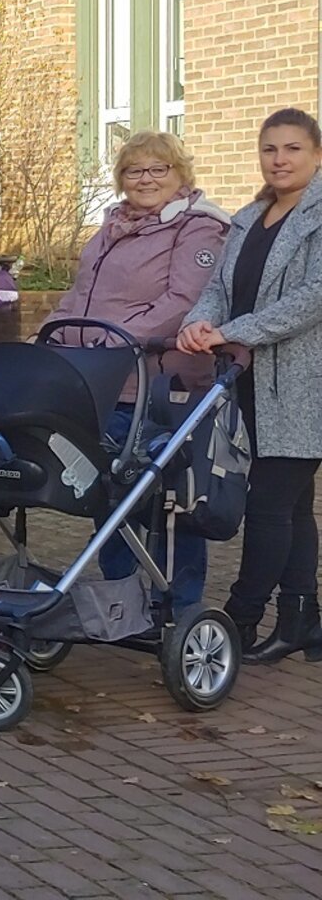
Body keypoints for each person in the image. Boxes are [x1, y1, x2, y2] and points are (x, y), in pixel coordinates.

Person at [44, 131, 228, 611]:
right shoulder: (110, 228)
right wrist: (47, 335)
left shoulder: (198, 227)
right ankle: (119, 600)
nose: (145, 179)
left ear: (180, 174)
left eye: (157, 169)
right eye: (133, 170)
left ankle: (179, 607)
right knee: (111, 496)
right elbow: (79, 296)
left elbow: (184, 301)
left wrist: (113, 339)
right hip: (104, 385)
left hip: (162, 385)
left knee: (168, 504)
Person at [178, 108, 322, 663]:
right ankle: (301, 620)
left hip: (302, 386)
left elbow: (309, 301)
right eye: (270, 149)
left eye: (292, 149)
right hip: (247, 384)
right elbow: (218, 286)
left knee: (268, 505)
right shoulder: (247, 218)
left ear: (314, 154)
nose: (280, 160)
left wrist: (230, 333)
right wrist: (199, 322)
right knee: (293, 507)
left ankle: (239, 620)